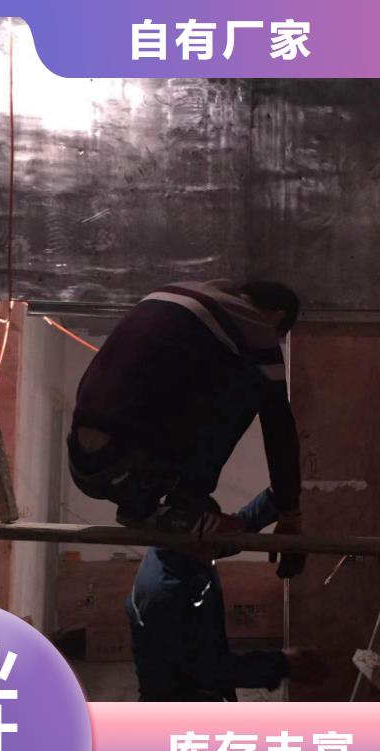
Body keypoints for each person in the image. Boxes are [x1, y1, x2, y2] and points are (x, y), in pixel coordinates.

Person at [67, 278, 324, 699]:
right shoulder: (169, 592)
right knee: (258, 387)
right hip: (134, 461)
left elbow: (231, 531)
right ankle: (182, 499)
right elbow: (279, 428)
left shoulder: (176, 298)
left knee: (208, 378)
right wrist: (290, 514)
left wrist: (276, 503)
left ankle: (159, 501)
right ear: (276, 317)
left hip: (94, 466)